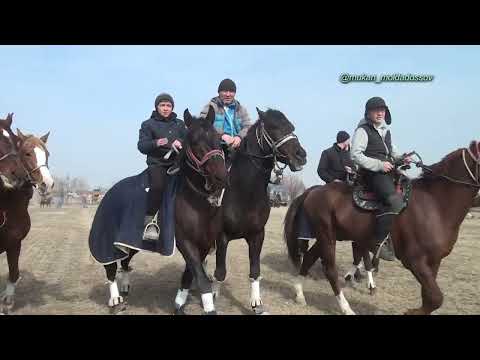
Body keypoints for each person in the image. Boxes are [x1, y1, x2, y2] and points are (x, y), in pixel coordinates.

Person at [351, 97, 410, 261]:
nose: (379, 113)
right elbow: (355, 154)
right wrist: (379, 165)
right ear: (368, 113)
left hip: (388, 170)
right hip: (372, 173)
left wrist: (403, 158)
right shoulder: (363, 130)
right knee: (394, 201)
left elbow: (393, 151)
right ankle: (378, 242)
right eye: (376, 110)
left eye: (382, 110)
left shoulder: (385, 130)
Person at [137, 93, 187, 241]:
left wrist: (181, 143)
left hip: (177, 163)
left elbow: (189, 140)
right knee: (158, 186)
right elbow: (142, 146)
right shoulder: (148, 124)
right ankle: (150, 222)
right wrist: (159, 142)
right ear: (156, 107)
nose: (166, 108)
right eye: (162, 105)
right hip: (157, 164)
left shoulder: (180, 124)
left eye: (169, 105)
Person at [200, 78, 252, 164]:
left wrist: (239, 137)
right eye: (224, 91)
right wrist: (222, 135)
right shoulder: (211, 106)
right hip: (217, 147)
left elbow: (248, 126)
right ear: (219, 92)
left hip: (238, 147)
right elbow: (203, 124)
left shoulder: (241, 109)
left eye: (231, 91)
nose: (228, 94)